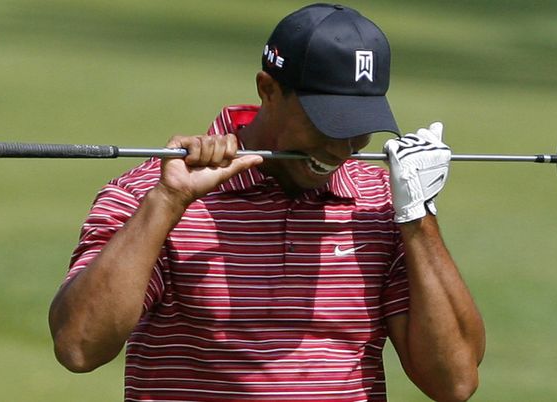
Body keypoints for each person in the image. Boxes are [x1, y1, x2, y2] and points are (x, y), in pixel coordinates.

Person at [49, 3, 485, 401]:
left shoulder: (383, 203)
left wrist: (417, 217)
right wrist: (167, 201)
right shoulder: (151, 192)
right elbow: (79, 346)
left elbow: (454, 382)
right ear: (269, 89)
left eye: (360, 128)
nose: (341, 149)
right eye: (327, 124)